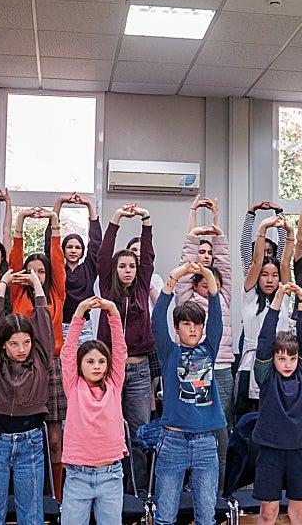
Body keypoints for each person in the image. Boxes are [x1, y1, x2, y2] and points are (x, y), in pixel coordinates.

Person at [0, 269, 55, 525]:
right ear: (3, 345)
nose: (21, 349)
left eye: (26, 342)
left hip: (30, 443)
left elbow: (43, 321)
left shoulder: (41, 360)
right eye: (14, 343)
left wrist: (36, 286)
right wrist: (2, 284)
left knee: (31, 513)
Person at [150, 262, 225, 525]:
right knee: (165, 516)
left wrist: (206, 275)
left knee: (206, 516)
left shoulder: (209, 349)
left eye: (197, 325)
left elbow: (216, 315)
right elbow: (157, 320)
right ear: (177, 328)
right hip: (173, 441)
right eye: (186, 324)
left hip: (205, 442)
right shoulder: (170, 352)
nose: (193, 329)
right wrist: (173, 279)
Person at [175, 195, 234, 488]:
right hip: (194, 368)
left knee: (221, 432)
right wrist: (193, 220)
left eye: (209, 253)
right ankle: (190, 487)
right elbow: (188, 259)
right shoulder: (186, 298)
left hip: (222, 369)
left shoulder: (221, 294)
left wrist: (216, 219)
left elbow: (223, 257)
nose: (207, 255)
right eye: (202, 252)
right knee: (193, 430)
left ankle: (219, 491)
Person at [96, 203, 156, 493]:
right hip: (112, 370)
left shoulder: (143, 286)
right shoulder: (107, 288)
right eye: (123, 266)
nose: (128, 270)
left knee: (139, 433)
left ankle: (139, 491)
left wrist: (146, 221)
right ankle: (113, 489)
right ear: (115, 270)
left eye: (132, 266)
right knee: (110, 431)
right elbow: (103, 255)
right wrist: (116, 219)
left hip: (140, 370)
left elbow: (148, 258)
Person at [11, 206, 68, 499]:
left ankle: (56, 498)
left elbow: (57, 258)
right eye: (31, 270)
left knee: (56, 439)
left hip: (54, 367)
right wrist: (21, 220)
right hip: (22, 367)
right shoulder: (18, 294)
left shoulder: (56, 293)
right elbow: (15, 256)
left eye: (41, 271)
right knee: (26, 437)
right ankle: (29, 494)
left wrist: (54, 221)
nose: (36, 275)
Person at [252, 282, 302, 525]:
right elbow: (266, 336)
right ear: (273, 358)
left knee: (297, 514)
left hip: (300, 451)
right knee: (268, 513)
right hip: (271, 451)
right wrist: (278, 297)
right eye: (281, 358)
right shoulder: (266, 374)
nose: (287, 364)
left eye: (292, 358)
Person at [60, 297, 127, 525]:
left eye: (100, 361)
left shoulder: (115, 383)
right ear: (80, 365)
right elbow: (67, 352)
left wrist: (113, 312)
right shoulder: (73, 385)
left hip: (111, 474)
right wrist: (79, 312)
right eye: (89, 362)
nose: (96, 366)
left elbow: (120, 351)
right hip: (78, 475)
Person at [236, 215, 294, 416]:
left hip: (281, 363)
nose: (269, 280)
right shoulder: (249, 295)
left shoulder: (283, 296)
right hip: (250, 364)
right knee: (249, 421)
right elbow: (256, 261)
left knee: (278, 416)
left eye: (274, 275)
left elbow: (285, 263)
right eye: (264, 274)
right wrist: (263, 227)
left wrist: (290, 233)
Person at [47, 193, 102, 331]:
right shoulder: (58, 270)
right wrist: (59, 202)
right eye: (69, 247)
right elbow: (50, 243)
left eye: (77, 247)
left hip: (84, 326)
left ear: (82, 251)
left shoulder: (88, 269)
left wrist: (89, 205)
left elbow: (96, 243)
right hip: (59, 325)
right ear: (63, 250)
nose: (73, 250)